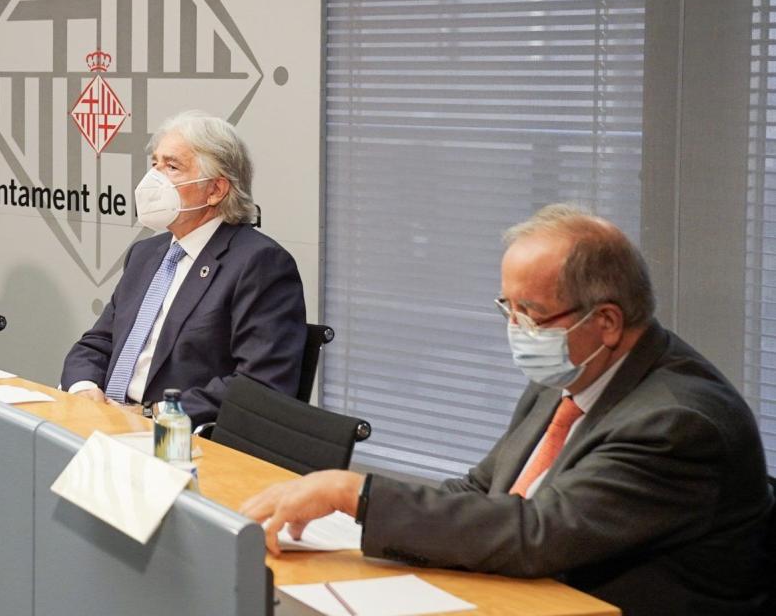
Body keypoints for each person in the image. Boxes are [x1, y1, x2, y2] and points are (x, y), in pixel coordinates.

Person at [240, 205, 771, 616]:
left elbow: (538, 533)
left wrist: (354, 494)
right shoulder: (570, 370)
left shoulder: (678, 423)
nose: (516, 329)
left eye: (531, 312)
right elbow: (481, 492)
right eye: (507, 307)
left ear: (606, 321)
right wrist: (355, 511)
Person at [59, 111, 305, 428]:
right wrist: (85, 390)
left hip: (181, 440)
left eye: (172, 167)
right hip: (108, 423)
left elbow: (260, 384)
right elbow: (96, 344)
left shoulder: (260, 264)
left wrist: (155, 414)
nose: (154, 180)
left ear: (216, 190)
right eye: (155, 165)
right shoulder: (146, 254)